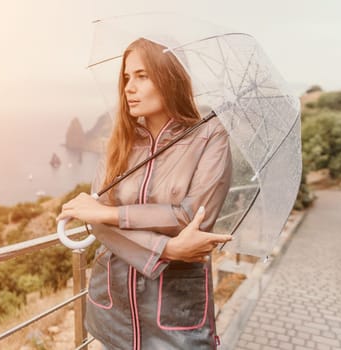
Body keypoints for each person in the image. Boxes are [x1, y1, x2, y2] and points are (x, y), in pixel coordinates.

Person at [57, 38, 233, 349]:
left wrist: (111, 215)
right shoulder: (120, 142)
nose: (128, 88)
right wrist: (168, 249)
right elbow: (96, 224)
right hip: (113, 315)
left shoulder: (210, 136)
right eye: (126, 78)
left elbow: (189, 218)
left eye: (142, 76)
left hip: (176, 319)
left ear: (170, 77)